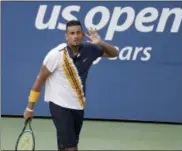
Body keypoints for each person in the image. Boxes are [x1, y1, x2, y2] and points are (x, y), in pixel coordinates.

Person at [24, 20, 118, 151]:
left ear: (83, 35)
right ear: (66, 36)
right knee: (71, 147)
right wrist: (30, 108)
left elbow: (114, 53)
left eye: (78, 33)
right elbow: (39, 81)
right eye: (72, 33)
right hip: (59, 106)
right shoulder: (55, 55)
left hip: (78, 106)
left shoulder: (90, 49)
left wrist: (100, 42)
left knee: (65, 146)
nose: (76, 36)